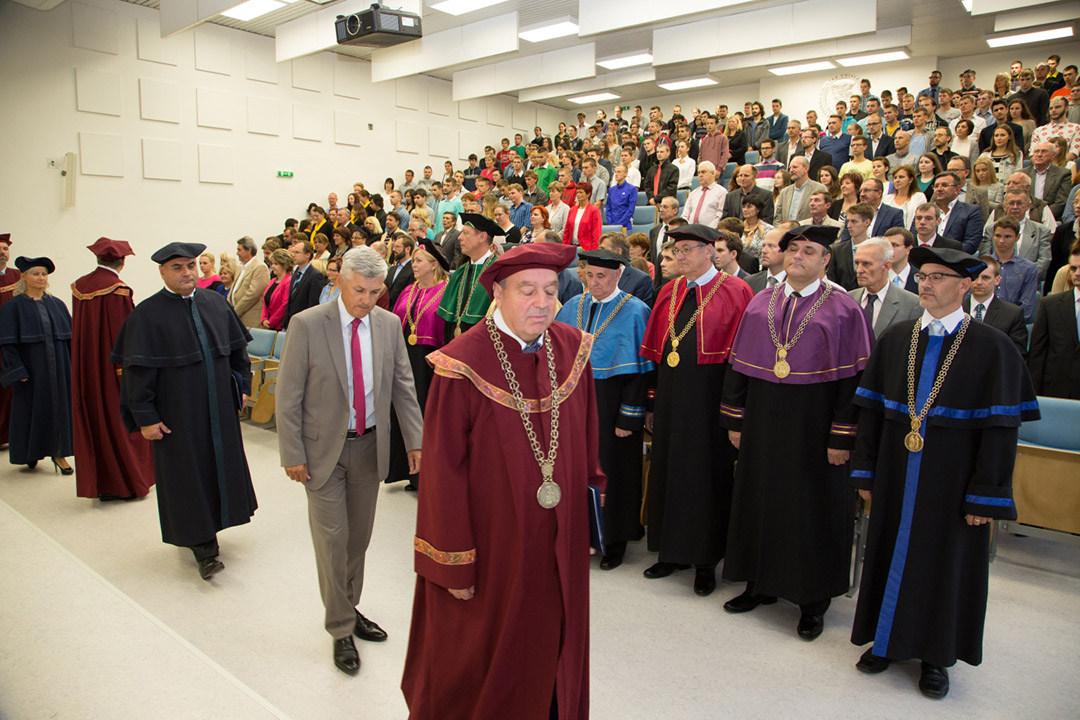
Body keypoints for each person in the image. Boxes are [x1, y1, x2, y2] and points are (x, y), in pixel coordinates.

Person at [402, 243, 604, 719]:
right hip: (492, 548)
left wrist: (588, 521)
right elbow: (443, 472)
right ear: (497, 293)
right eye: (527, 290)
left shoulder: (572, 350)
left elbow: (588, 443)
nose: (542, 303)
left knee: (554, 643)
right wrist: (452, 562)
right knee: (482, 659)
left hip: (558, 539)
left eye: (551, 291)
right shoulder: (462, 364)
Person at [849, 246, 1038, 700]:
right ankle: (885, 641)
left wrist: (985, 493)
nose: (926, 284)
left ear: (965, 285)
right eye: (922, 276)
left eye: (937, 277)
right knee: (888, 551)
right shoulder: (896, 338)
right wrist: (866, 472)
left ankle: (936, 656)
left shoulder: (993, 347)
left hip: (954, 480)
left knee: (946, 564)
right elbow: (871, 415)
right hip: (896, 472)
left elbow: (1001, 431)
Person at [721, 224, 873, 640]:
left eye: (808, 251)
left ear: (826, 260)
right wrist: (735, 420)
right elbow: (739, 368)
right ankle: (758, 584)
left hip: (814, 430)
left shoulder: (844, 309)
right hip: (762, 424)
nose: (798, 257)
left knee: (810, 510)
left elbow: (853, 382)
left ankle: (812, 602)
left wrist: (842, 436)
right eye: (792, 250)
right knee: (760, 500)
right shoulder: (760, 303)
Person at [277, 246, 422, 675]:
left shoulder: (389, 324)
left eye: (376, 292)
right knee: (333, 541)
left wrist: (416, 441)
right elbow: (288, 395)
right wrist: (292, 453)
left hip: (370, 448)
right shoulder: (307, 324)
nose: (367, 300)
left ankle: (349, 606)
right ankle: (340, 627)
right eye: (360, 290)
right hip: (322, 452)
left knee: (357, 540)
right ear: (340, 280)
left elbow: (404, 385)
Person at [110, 242, 257, 581]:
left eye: (191, 265)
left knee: (218, 469)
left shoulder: (215, 303)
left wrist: (243, 385)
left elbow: (237, 351)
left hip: (219, 409)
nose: (187, 273)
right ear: (162, 272)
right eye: (177, 267)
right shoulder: (146, 315)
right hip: (177, 415)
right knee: (187, 477)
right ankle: (202, 547)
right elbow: (137, 373)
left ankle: (214, 526)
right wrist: (146, 417)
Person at [639, 224, 754, 596]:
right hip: (671, 399)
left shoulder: (736, 290)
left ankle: (705, 561)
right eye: (677, 250)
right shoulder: (668, 290)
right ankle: (670, 552)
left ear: (710, 251)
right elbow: (657, 355)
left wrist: (734, 411)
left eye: (688, 249)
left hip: (709, 402)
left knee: (705, 477)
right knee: (668, 471)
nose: (680, 256)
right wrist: (652, 401)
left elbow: (741, 360)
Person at [555, 249, 653, 570]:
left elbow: (640, 372)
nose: (594, 282)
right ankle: (577, 534)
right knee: (573, 468)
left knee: (613, 469)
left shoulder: (635, 311)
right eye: (589, 275)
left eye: (601, 276)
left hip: (612, 406)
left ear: (617, 275)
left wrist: (629, 417)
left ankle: (614, 539)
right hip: (574, 402)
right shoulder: (572, 306)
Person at [70, 238, 152, 500]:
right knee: (119, 422)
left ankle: (102, 483)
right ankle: (126, 484)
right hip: (111, 370)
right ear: (123, 261)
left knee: (95, 418)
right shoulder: (118, 291)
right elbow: (123, 336)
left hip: (87, 367)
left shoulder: (79, 286)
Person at [0, 255, 74, 473]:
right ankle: (30, 452)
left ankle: (59, 453)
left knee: (59, 410)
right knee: (30, 411)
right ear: (23, 277)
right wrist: (17, 370)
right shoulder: (12, 307)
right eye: (35, 274)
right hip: (31, 370)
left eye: (44, 274)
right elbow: (8, 344)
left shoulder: (57, 304)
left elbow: (70, 340)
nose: (41, 278)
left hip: (59, 369)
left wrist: (73, 368)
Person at [388, 239, 448, 491]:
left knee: (423, 414)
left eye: (418, 260)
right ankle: (403, 469)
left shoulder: (445, 290)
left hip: (428, 363)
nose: (413, 265)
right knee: (402, 411)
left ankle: (424, 477)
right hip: (404, 356)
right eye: (412, 260)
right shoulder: (408, 290)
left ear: (433, 265)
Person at [436, 213, 499, 342]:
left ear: (482, 237)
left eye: (465, 233)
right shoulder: (460, 272)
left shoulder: (498, 272)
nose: (459, 237)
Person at [849, 238, 922, 338]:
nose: (859, 270)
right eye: (857, 263)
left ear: (887, 266)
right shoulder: (847, 299)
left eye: (866, 264)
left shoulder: (912, 305)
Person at [964, 255, 1029, 357]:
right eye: (975, 277)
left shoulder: (1012, 314)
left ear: (997, 280)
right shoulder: (955, 309)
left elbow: (1017, 355)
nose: (979, 282)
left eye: (985, 277)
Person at [0, 233, 20, 447]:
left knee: (12, 390)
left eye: (5, 249)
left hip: (14, 343)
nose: (2, 253)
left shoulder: (19, 277)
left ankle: (11, 435)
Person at [283, 240, 326, 330]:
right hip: (290, 323)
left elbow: (313, 304)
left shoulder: (315, 275)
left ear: (307, 255)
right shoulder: (296, 273)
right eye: (293, 252)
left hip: (304, 325)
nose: (293, 255)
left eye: (297, 252)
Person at [563, 183, 602, 251]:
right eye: (577, 192)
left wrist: (594, 251)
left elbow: (596, 234)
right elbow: (567, 231)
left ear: (588, 194)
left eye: (581, 192)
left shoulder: (594, 210)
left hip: (586, 249)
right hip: (571, 247)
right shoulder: (572, 210)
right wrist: (564, 247)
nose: (578, 195)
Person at [261, 249, 293, 331]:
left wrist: (271, 322)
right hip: (268, 324)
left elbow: (284, 305)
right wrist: (264, 318)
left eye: (276, 264)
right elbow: (265, 301)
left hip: (279, 326)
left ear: (284, 265)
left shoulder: (289, 281)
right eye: (272, 264)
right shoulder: (272, 281)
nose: (273, 266)